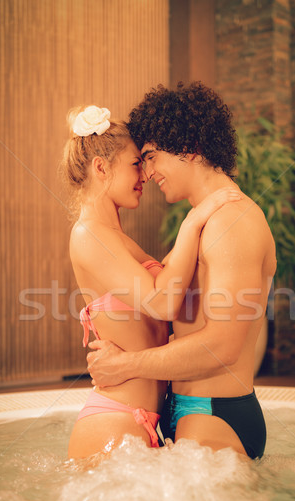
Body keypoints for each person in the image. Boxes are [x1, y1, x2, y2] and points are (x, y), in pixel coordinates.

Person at [86, 82, 277, 460]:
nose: (148, 171)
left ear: (189, 147)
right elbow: (163, 302)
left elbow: (222, 346)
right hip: (188, 412)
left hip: (215, 413)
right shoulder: (202, 222)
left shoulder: (231, 222)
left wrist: (125, 365)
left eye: (152, 156)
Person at [61, 104, 239, 460]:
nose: (144, 175)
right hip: (112, 423)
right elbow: (162, 303)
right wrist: (192, 222)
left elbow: (159, 318)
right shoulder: (87, 234)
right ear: (101, 168)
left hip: (141, 422)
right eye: (135, 164)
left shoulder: (116, 238)